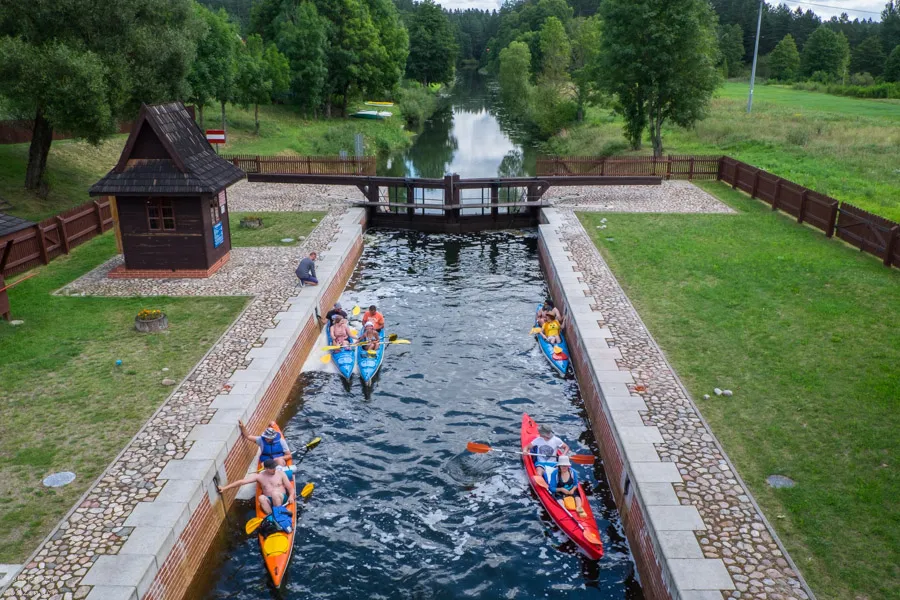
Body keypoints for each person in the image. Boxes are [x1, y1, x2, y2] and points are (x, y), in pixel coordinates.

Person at [217, 458, 295, 518]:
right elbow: (242, 482)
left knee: (275, 494)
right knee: (261, 497)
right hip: (269, 500)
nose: (274, 469)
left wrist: (291, 496)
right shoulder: (259, 477)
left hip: (281, 498)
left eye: (274, 467)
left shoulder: (281, 473)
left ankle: (279, 514)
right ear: (266, 469)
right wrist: (225, 488)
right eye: (272, 468)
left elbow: (290, 488)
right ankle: (271, 516)